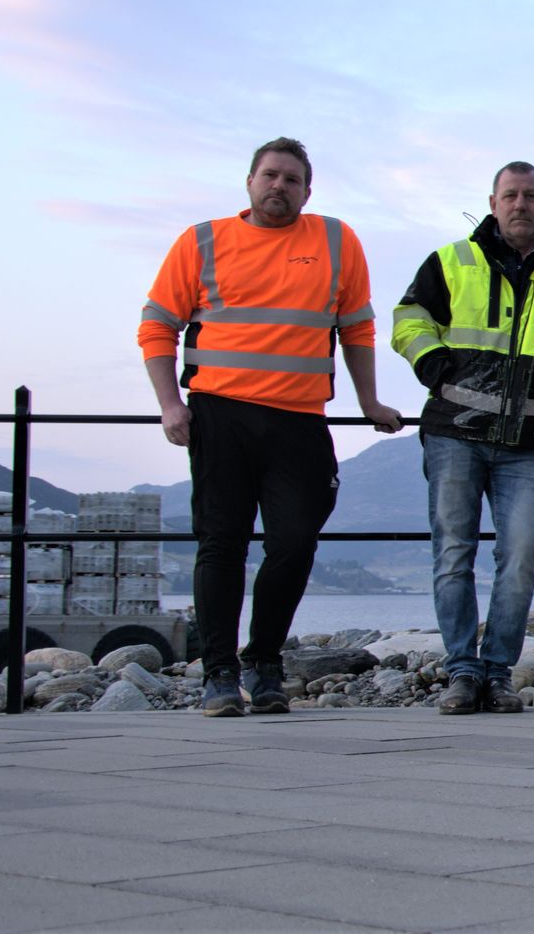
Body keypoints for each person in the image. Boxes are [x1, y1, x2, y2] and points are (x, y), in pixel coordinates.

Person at [139, 137, 403, 718]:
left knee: (295, 541)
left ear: (308, 191)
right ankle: (218, 674)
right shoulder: (202, 240)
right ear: (250, 182)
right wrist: (169, 405)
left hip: (300, 419)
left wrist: (369, 401)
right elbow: (156, 326)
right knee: (221, 543)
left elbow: (356, 328)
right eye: (270, 176)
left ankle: (264, 661)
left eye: (291, 179)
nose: (278, 186)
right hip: (219, 414)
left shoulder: (336, 239)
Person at [391, 162, 534, 714]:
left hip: (528, 444)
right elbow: (408, 318)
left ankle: (498, 672)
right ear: (492, 201)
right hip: (453, 434)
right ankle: (462, 672)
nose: (520, 204)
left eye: (530, 196)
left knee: (521, 557)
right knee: (453, 554)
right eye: (510, 195)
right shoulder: (451, 262)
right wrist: (433, 365)